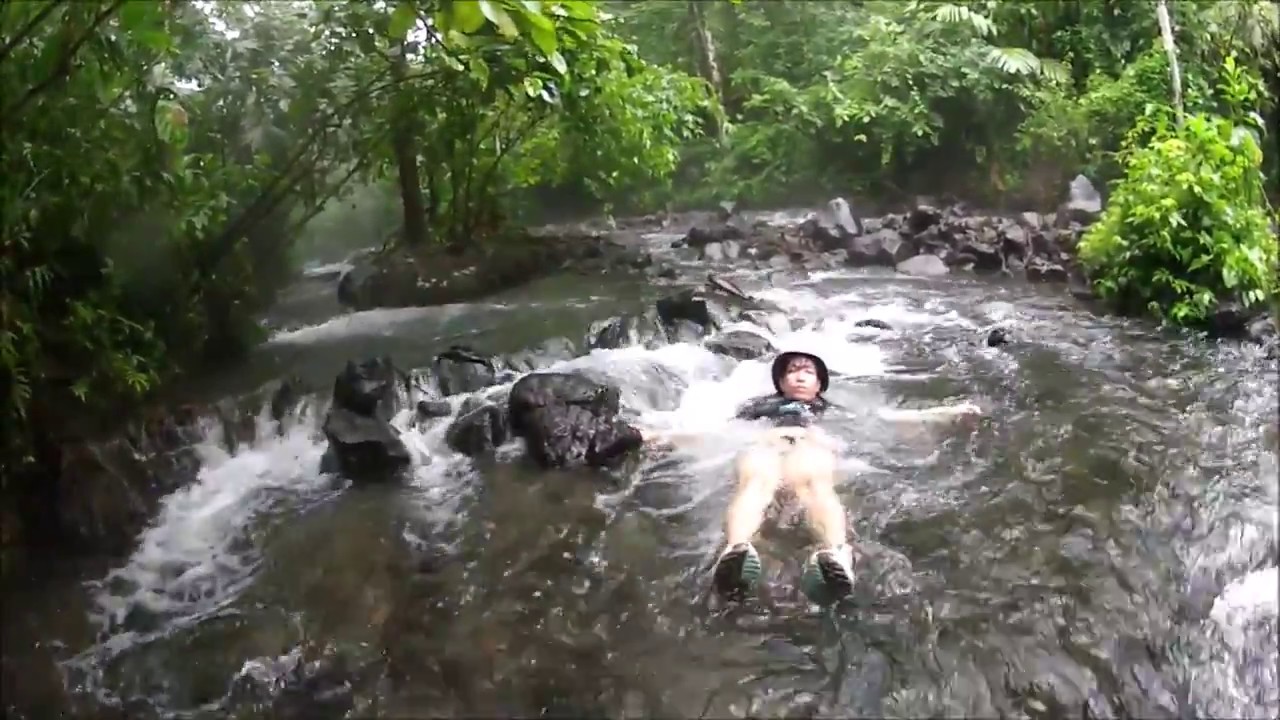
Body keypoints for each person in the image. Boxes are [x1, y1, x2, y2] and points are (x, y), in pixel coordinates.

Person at [641, 349, 982, 606]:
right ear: (781, 381)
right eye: (792, 371)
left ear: (820, 383)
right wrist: (656, 436)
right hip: (767, 443)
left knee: (814, 480)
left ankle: (837, 555)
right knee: (756, 478)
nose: (800, 376)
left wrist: (947, 415)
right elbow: (716, 431)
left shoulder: (829, 409)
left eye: (808, 371)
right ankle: (736, 551)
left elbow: (885, 419)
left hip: (810, 444)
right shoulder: (758, 407)